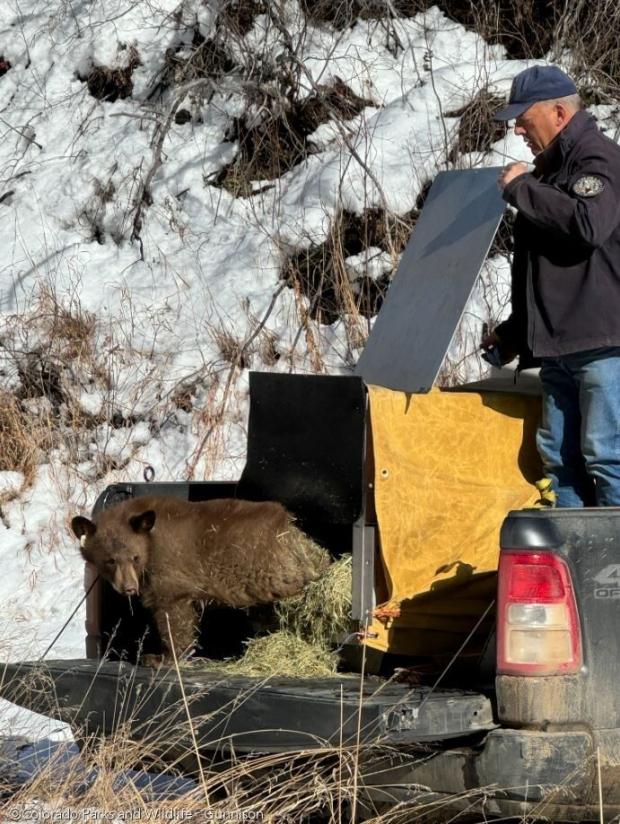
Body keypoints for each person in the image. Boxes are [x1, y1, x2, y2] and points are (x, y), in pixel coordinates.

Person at [481, 65, 620, 507]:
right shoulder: (545, 175)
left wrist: (523, 189)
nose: (517, 127)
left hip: (603, 347)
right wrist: (516, 333)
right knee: (561, 465)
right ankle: (577, 569)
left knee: (607, 458)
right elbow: (539, 270)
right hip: (559, 350)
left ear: (559, 112)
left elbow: (588, 225)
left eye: (524, 116)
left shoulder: (597, 159)